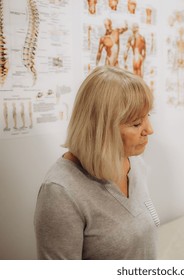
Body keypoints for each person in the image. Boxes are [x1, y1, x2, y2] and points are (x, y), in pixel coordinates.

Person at [34, 65, 158, 259]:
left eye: (148, 116)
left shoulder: (135, 164)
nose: (149, 130)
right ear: (101, 128)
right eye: (136, 123)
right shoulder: (60, 192)